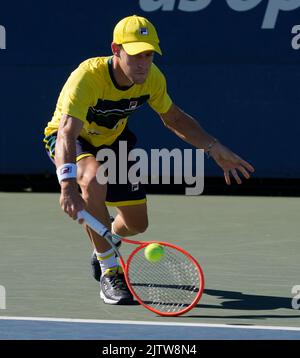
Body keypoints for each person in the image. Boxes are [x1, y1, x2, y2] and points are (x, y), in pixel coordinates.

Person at [43, 15, 255, 305]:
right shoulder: (88, 77)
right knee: (92, 178)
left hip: (113, 141)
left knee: (136, 223)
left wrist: (213, 147)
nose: (143, 63)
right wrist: (67, 186)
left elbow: (174, 118)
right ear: (116, 49)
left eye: (149, 54)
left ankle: (104, 243)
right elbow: (67, 133)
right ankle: (110, 271)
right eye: (135, 54)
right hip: (70, 139)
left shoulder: (152, 79)